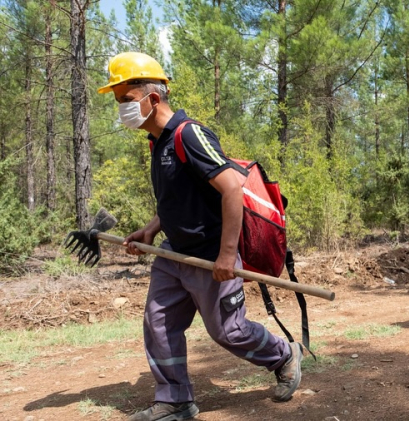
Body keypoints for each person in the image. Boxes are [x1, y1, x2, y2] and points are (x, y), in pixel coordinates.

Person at [98, 52, 302, 421]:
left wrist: (226, 255)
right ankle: (174, 399)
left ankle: (285, 355)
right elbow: (178, 198)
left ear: (153, 98)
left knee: (229, 331)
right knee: (158, 323)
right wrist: (151, 228)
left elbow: (232, 190)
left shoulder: (188, 134)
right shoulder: (156, 141)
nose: (122, 110)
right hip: (174, 253)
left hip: (210, 254)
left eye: (126, 101)